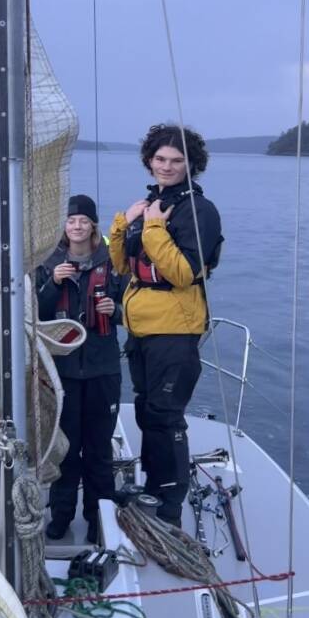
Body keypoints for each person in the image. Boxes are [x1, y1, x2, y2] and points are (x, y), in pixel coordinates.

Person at [108, 124, 223, 526]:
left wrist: (153, 227)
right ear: (149, 160)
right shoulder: (151, 205)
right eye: (160, 159)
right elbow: (122, 266)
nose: (167, 167)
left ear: (193, 165)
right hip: (142, 328)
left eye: (177, 161)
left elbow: (184, 272)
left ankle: (170, 506)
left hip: (175, 330)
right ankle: (154, 489)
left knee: (165, 415)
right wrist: (125, 223)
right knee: (146, 410)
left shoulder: (198, 211)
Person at [35, 195, 123, 544]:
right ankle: (61, 515)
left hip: (103, 370)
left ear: (93, 225)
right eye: (70, 221)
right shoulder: (48, 262)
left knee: (99, 449)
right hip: (64, 372)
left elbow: (129, 309)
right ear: (63, 226)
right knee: (66, 448)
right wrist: (53, 283)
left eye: (83, 221)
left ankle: (98, 517)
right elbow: (35, 313)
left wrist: (113, 309)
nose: (76, 226)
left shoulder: (112, 261)